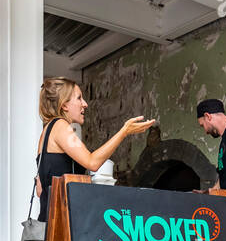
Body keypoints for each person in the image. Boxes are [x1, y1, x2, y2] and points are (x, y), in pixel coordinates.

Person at [33, 77, 155, 223]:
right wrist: (124, 132)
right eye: (79, 98)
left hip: (48, 223)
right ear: (64, 104)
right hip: (61, 228)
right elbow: (92, 162)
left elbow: (41, 191)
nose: (85, 104)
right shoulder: (60, 126)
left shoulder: (47, 131)